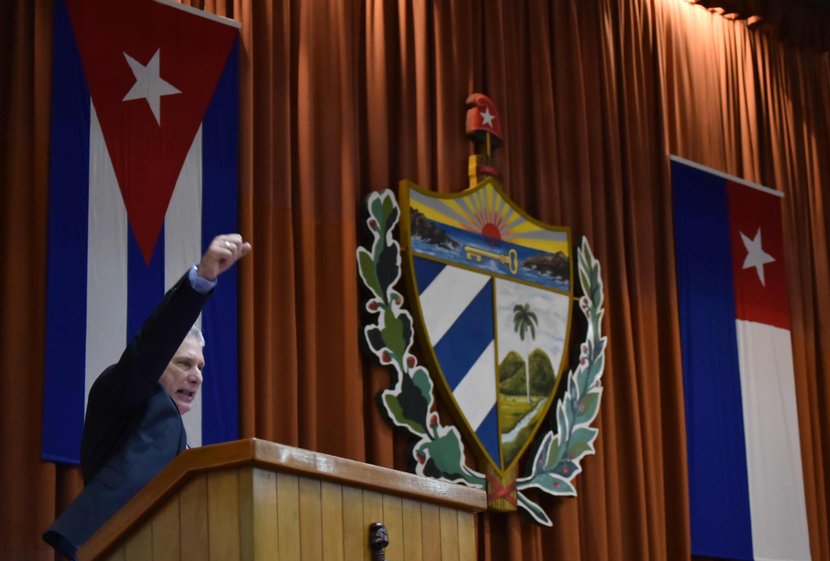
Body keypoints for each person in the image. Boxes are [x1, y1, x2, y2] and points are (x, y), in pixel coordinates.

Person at [43, 234, 251, 560]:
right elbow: (152, 345)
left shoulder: (178, 444)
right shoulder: (119, 396)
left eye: (200, 366)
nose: (196, 375)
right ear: (156, 366)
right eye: (183, 363)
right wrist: (203, 278)